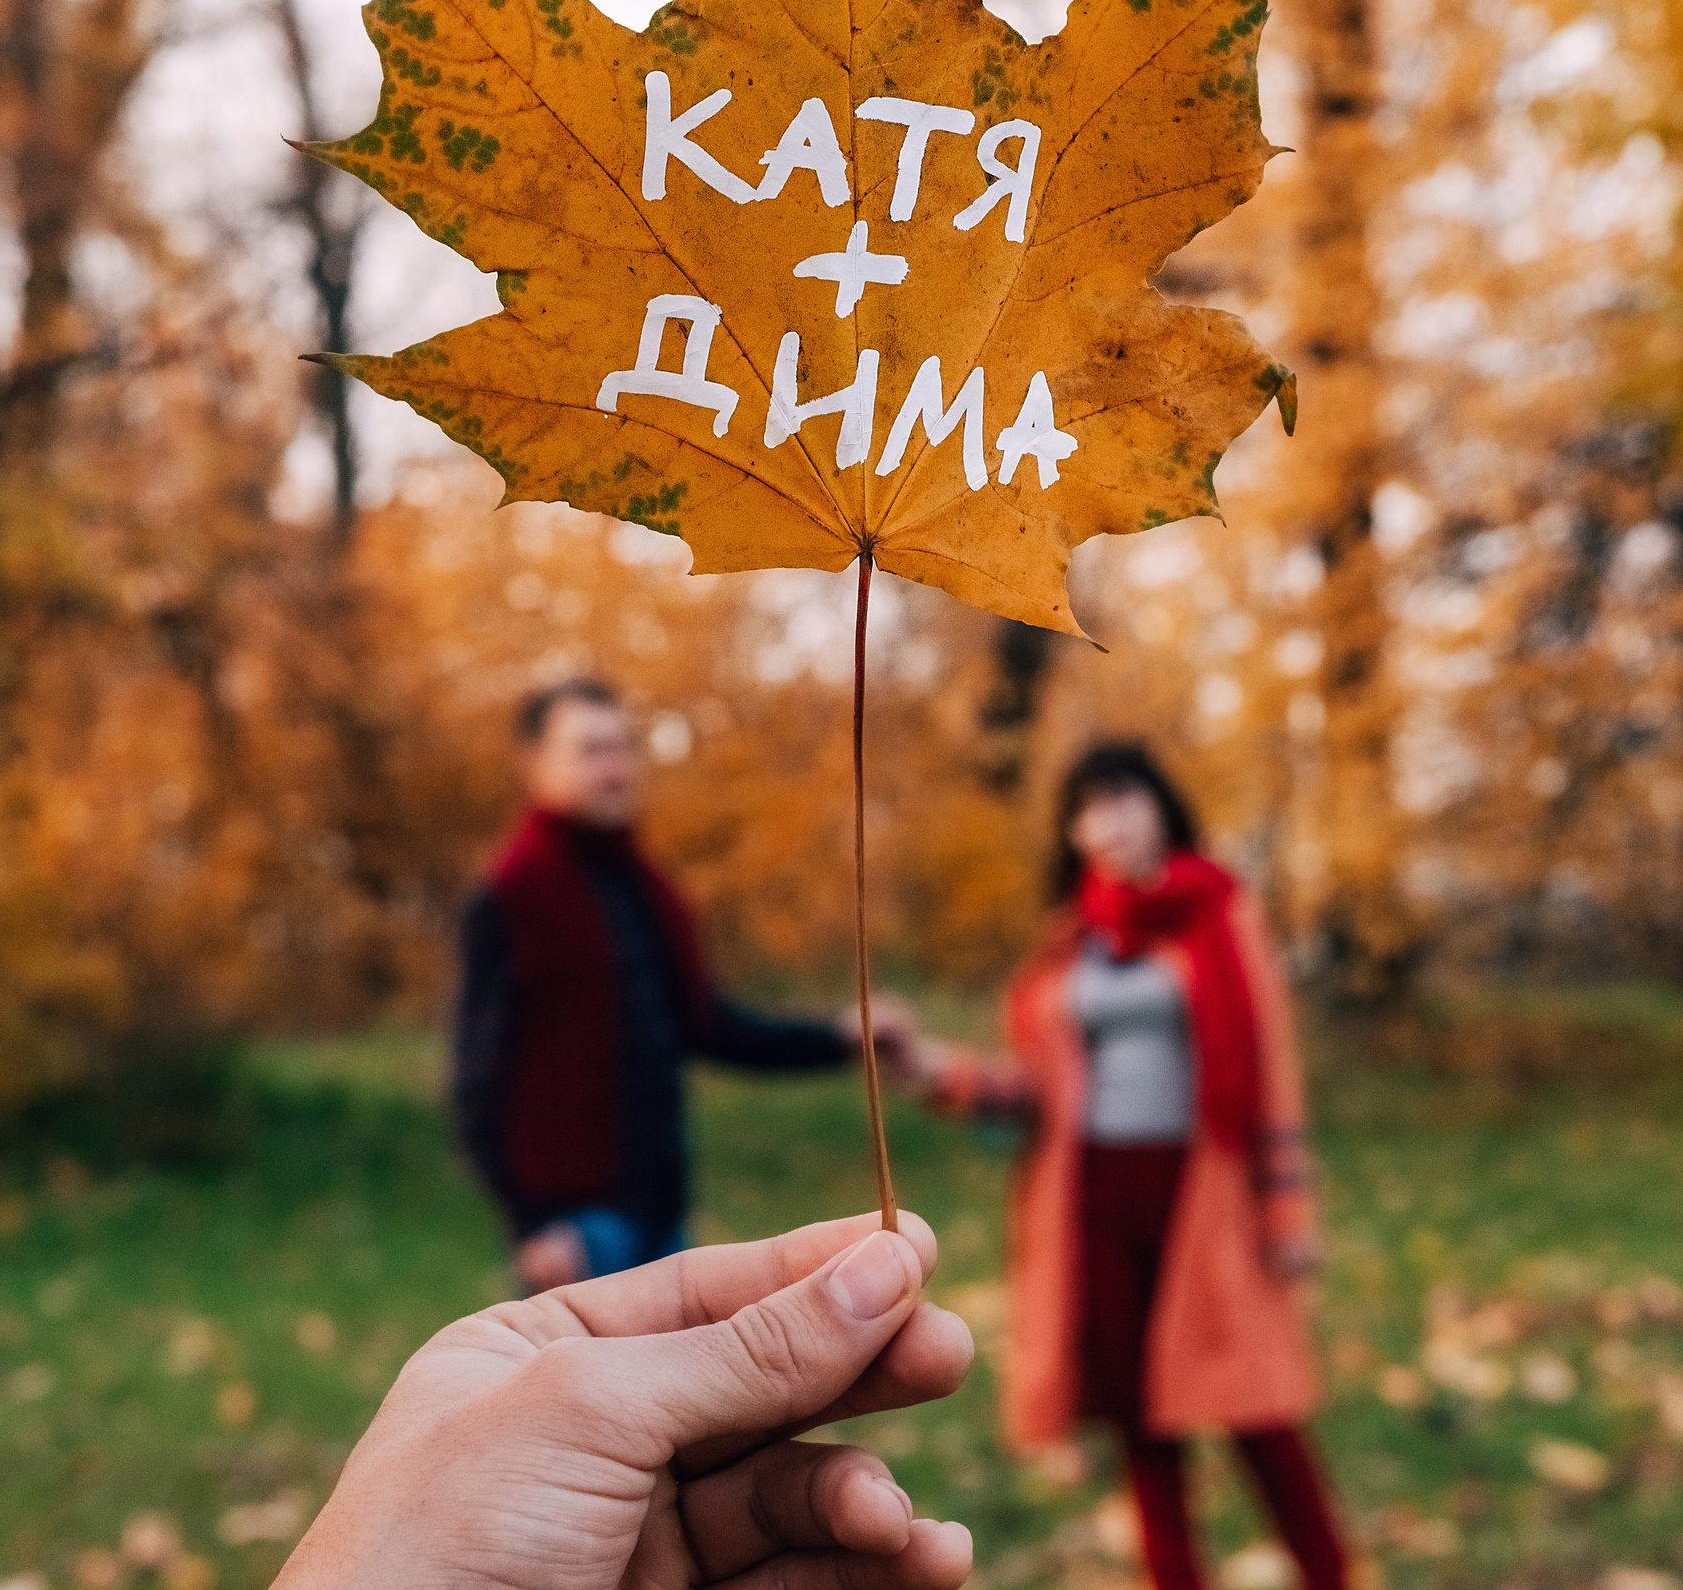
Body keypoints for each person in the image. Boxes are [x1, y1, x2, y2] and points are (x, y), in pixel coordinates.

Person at [894, 742, 1347, 1590]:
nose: (1106, 821)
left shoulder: (1220, 912)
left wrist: (1287, 1208)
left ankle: (1331, 1572)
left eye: (1122, 798)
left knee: (1259, 1407)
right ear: (1072, 830)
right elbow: (1039, 1090)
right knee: (1144, 1419)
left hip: (1202, 1197)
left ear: (1160, 807)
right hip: (1094, 1201)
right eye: (1087, 807)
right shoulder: (1074, 941)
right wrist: (935, 1070)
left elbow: (1273, 1073)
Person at [454, 679, 911, 1293]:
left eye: (622, 748)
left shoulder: (646, 889)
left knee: (674, 1392)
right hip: (579, 1231)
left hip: (662, 1217)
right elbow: (477, 1079)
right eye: (591, 750)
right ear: (534, 765)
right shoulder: (513, 896)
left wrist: (839, 1036)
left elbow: (707, 1026)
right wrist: (531, 1223)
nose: (616, 769)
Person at [272, 1212, 977, 1590]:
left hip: (652, 1200)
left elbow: (706, 1020)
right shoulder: (522, 933)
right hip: (572, 1211)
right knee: (643, 1387)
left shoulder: (662, 933)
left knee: (677, 1414)